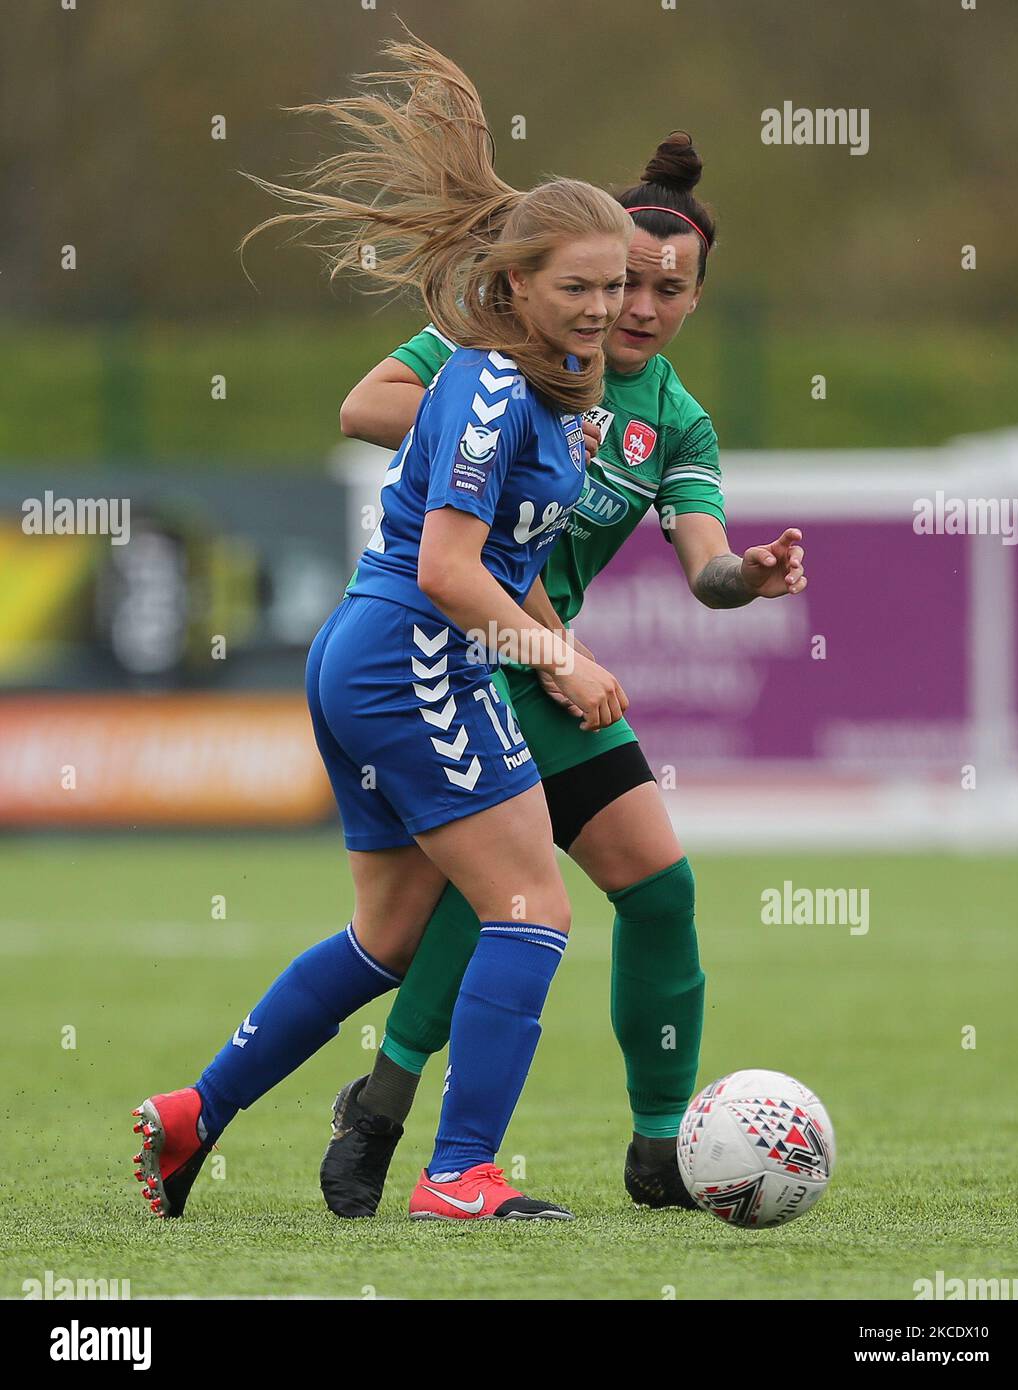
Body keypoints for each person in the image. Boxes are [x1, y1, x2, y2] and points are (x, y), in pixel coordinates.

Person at [131, 29, 633, 1222]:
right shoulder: (492, 379)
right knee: (531, 909)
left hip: (382, 658)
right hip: (414, 655)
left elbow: (502, 557)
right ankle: (458, 1175)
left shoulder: (552, 389)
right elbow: (453, 569)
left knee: (387, 934)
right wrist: (554, 653)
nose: (604, 307)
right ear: (514, 285)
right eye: (578, 286)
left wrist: (552, 641)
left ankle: (195, 1113)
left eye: (616, 285)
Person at [319, 132, 808, 1218]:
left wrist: (750, 575)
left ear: (692, 301)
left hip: (543, 661)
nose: (637, 305)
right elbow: (361, 411)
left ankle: (657, 1150)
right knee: (486, 904)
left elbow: (705, 566)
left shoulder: (676, 419)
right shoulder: (506, 343)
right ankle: (385, 1113)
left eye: (667, 291)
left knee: (657, 885)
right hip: (463, 647)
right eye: (625, 280)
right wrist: (507, 429)